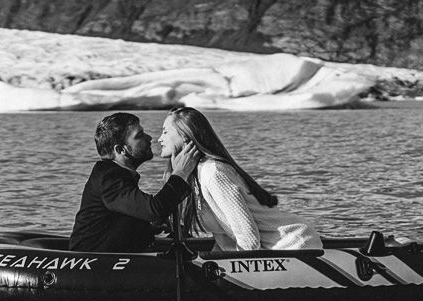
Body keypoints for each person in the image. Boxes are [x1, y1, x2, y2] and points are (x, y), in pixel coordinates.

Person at [159, 106, 321, 251]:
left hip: (293, 246)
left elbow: (248, 239)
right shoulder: (192, 176)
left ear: (186, 137)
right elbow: (224, 237)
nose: (160, 139)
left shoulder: (213, 172)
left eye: (165, 132)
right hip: (265, 252)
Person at [69, 112, 200, 252]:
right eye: (139, 136)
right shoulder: (109, 178)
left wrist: (147, 227)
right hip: (92, 262)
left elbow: (121, 218)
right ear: (120, 150)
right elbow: (154, 210)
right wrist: (181, 173)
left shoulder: (115, 173)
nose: (149, 138)